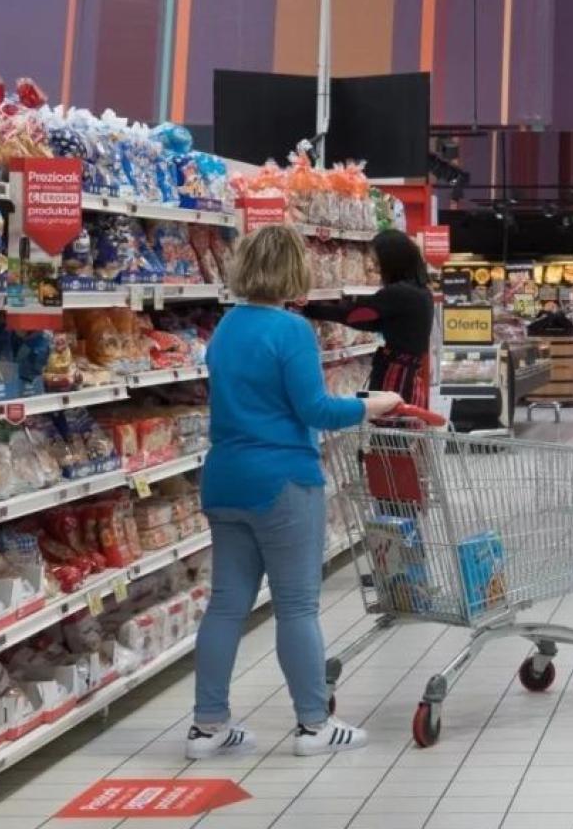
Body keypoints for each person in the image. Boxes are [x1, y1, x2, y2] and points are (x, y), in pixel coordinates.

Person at [190, 224, 402, 759]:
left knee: (225, 606)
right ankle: (314, 725)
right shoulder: (291, 331)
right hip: (282, 480)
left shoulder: (226, 327)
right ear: (294, 271)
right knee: (297, 607)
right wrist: (370, 406)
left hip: (225, 477)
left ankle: (207, 726)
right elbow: (313, 411)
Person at [300, 229, 436, 407]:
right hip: (410, 376)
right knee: (399, 431)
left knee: (388, 428)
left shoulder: (399, 293)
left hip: (396, 377)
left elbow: (355, 314)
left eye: (378, 261)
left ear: (391, 260)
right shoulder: (422, 292)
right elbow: (372, 322)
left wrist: (310, 309)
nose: (375, 267)